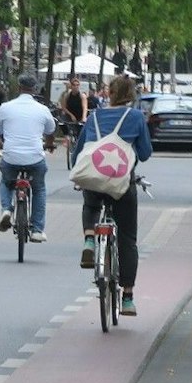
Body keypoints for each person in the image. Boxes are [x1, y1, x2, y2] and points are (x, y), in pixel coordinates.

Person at [71, 74, 152, 317]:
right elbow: (145, 153)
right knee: (127, 238)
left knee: (91, 202)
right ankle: (127, 298)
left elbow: (79, 152)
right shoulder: (136, 117)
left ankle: (88, 239)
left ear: (110, 93)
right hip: (121, 183)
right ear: (132, 94)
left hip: (95, 178)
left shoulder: (94, 116)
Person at [0, 73, 58, 241]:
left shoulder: (5, 107)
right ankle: (37, 230)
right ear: (34, 89)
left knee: (6, 181)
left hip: (11, 157)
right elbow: (51, 131)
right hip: (35, 158)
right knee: (39, 189)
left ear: (19, 88)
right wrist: (49, 144)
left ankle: (6, 209)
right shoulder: (42, 109)